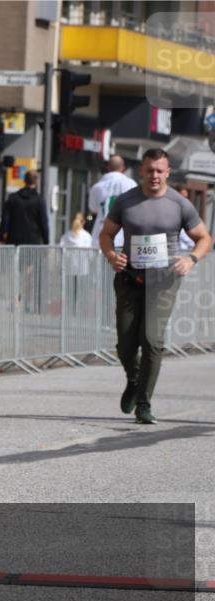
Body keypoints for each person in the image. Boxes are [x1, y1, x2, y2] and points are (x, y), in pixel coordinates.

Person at [99, 148, 211, 425]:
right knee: (126, 344)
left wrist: (191, 259)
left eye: (160, 170)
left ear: (168, 172)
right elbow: (106, 234)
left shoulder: (179, 204)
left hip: (163, 281)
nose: (154, 176)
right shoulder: (125, 201)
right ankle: (134, 379)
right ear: (141, 171)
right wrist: (112, 256)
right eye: (150, 170)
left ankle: (144, 404)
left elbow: (204, 238)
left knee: (152, 340)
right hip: (129, 279)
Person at [89, 155, 137, 249]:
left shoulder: (97, 187)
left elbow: (93, 209)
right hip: (123, 237)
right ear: (123, 168)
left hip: (101, 235)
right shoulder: (131, 184)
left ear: (108, 167)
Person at [0, 170, 49, 245]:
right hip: (33, 243)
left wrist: (1, 236)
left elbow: (5, 219)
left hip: (14, 242)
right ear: (36, 182)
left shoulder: (13, 198)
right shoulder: (39, 200)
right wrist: (46, 241)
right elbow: (43, 222)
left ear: (24, 181)